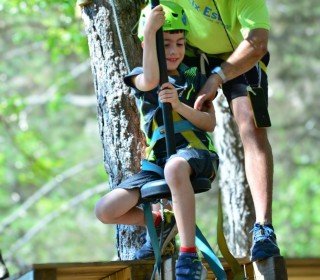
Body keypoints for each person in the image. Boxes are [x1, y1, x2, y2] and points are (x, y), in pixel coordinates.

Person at [95, 2, 218, 279]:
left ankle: (188, 255)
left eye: (179, 43)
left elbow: (209, 123)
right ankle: (164, 222)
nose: (174, 52)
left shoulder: (193, 76)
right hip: (158, 162)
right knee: (106, 210)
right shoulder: (139, 76)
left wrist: (179, 107)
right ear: (147, 42)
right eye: (166, 44)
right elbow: (151, 80)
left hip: (195, 154)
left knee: (176, 166)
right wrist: (150, 31)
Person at [167, 0, 281, 262]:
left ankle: (264, 229)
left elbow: (257, 42)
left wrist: (216, 77)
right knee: (170, 113)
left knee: (251, 125)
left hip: (240, 54)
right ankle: (168, 222)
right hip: (191, 50)